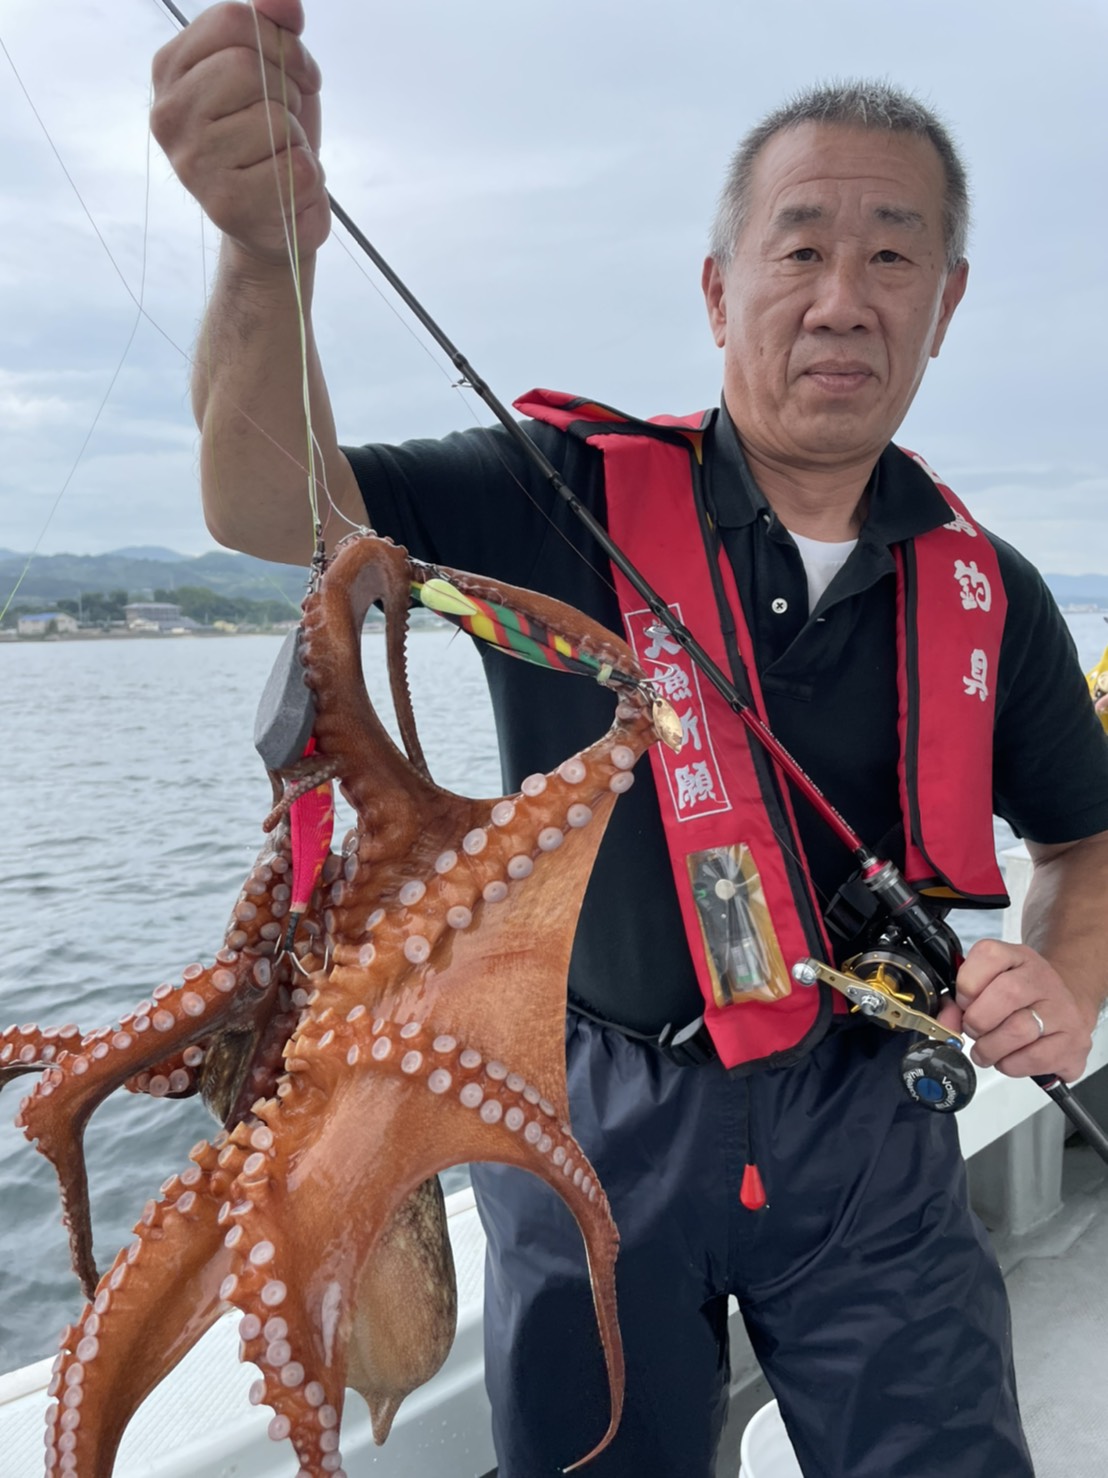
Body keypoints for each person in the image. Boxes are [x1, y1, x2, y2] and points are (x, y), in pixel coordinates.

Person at [152, 4, 1108, 1474]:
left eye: (892, 256)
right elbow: (276, 503)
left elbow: (1086, 842)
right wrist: (262, 251)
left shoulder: (993, 593)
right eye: (800, 248)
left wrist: (1069, 981)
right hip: (586, 1117)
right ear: (720, 291)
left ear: (947, 301)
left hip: (870, 1121)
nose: (842, 299)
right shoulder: (552, 497)